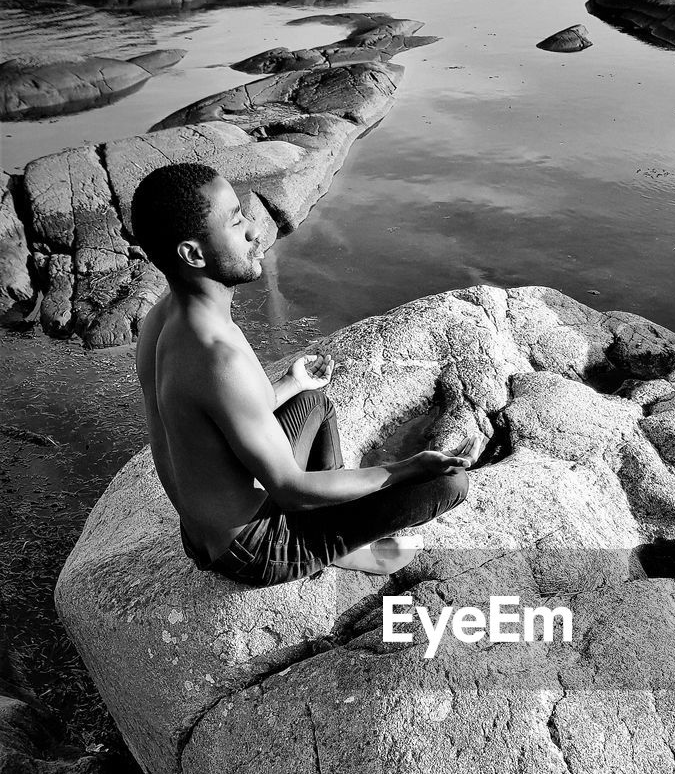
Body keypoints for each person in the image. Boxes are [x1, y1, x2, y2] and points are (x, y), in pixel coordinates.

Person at [129, 162, 474, 586]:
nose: (254, 232)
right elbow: (290, 488)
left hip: (202, 531)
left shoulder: (162, 320)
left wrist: (292, 384)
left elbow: (220, 416)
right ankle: (343, 545)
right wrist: (405, 470)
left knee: (312, 401)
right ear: (193, 254)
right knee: (450, 484)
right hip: (254, 549)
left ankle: (335, 524)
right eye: (236, 222)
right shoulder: (217, 355)